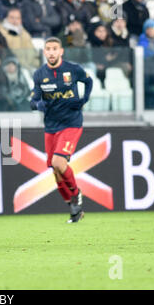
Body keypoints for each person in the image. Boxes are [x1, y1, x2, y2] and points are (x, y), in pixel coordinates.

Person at [29, 37, 93, 223]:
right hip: (51, 126)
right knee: (56, 171)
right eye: (48, 49)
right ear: (44, 52)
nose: (51, 52)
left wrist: (84, 100)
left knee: (58, 162)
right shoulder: (40, 74)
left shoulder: (73, 69)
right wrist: (38, 104)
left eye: (54, 48)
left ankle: (76, 193)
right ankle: (74, 210)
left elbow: (88, 82)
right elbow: (34, 99)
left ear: (61, 51)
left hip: (71, 122)